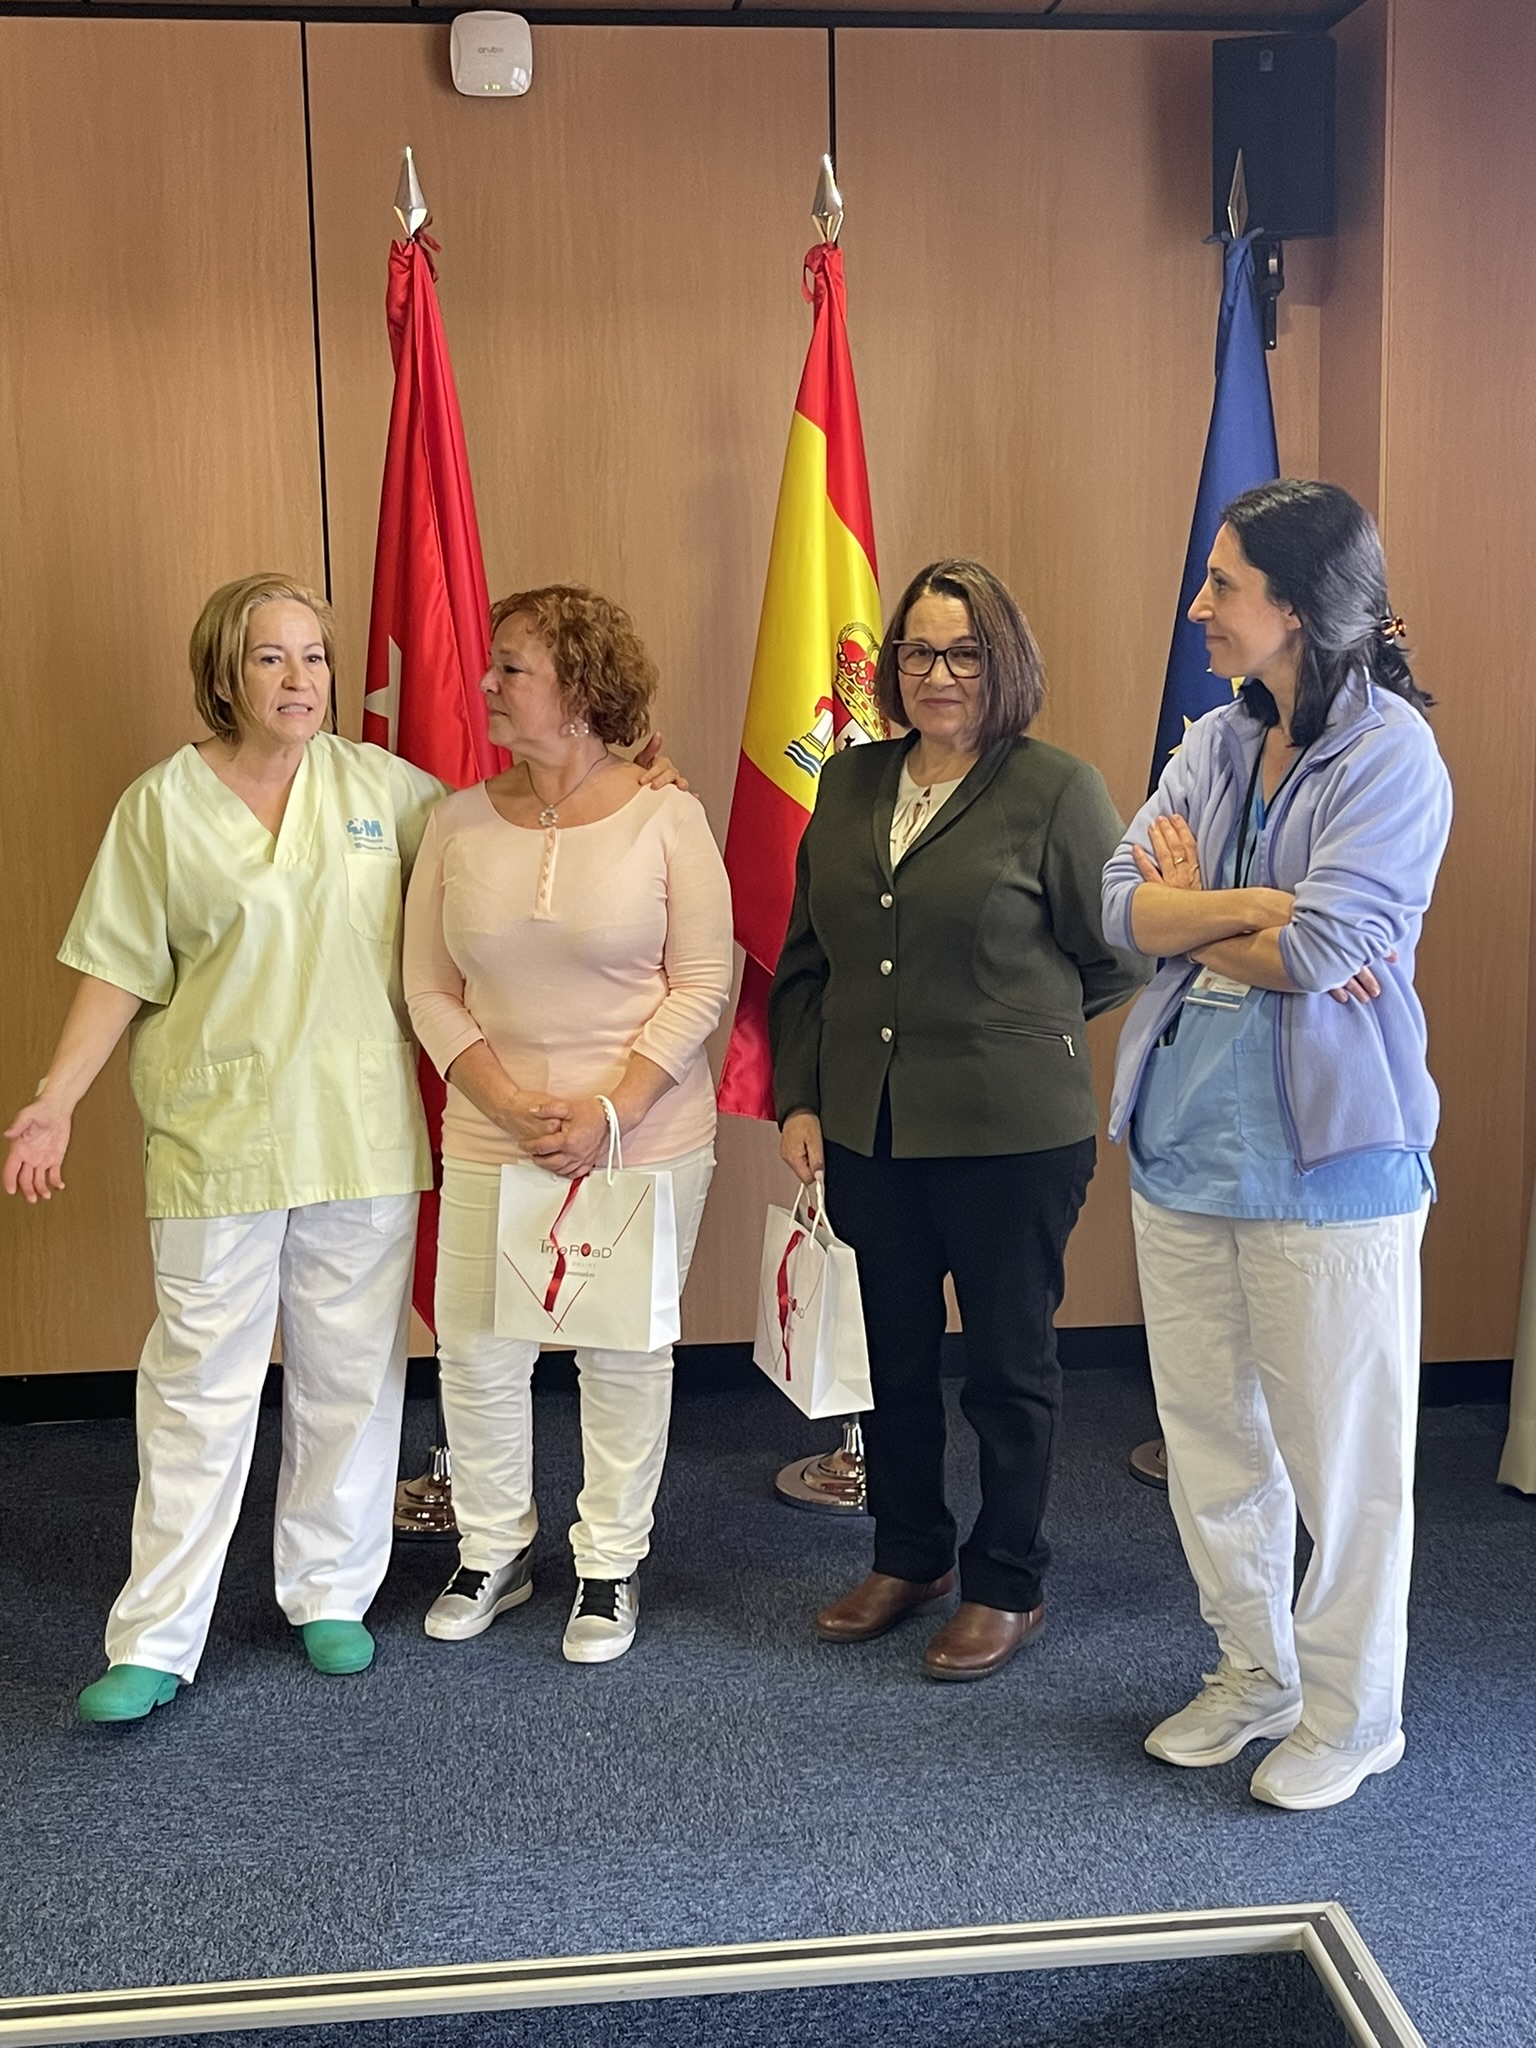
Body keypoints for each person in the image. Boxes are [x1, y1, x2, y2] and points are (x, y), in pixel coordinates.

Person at [3, 576, 442, 1721]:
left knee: (350, 1376)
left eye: (315, 656)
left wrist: (617, 783)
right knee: (198, 1390)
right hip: (218, 1136)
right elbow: (117, 965)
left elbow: (491, 859)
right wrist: (55, 1099)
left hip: (358, 1132)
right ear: (223, 673)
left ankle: (330, 1589)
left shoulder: (387, 790)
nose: (300, 679)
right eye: (270, 657)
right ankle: (155, 1636)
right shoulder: (161, 806)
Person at [1102, 479, 1452, 1811]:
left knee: (1341, 1464)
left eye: (1224, 584)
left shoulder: (1393, 757)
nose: (1200, 606)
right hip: (1183, 1150)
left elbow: (1324, 949)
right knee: (1211, 1440)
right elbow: (1119, 905)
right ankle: (1256, 1673)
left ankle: (1356, 1716)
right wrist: (1243, 908)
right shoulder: (1215, 737)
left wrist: (1202, 906)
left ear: (1299, 607)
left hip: (1332, 1173)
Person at [770, 558, 1149, 1680]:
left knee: (1005, 1369)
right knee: (890, 1361)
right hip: (870, 1132)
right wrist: (802, 1094)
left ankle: (1007, 1582)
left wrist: (1012, 1026)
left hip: (1011, 1137)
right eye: (919, 651)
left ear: (1005, 661)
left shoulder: (1057, 788)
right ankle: (910, 1556)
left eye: (966, 652)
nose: (938, 674)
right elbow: (808, 961)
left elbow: (1119, 952)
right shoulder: (851, 781)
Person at [402, 584, 733, 1666]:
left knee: (623, 1351)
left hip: (641, 1136)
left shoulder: (667, 816)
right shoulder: (455, 821)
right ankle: (493, 1549)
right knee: (477, 1348)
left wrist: (608, 1113)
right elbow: (427, 986)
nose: (486, 684)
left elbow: (701, 984)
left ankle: (609, 1562)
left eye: (512, 668)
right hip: (491, 1131)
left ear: (582, 689)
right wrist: (502, 1101)